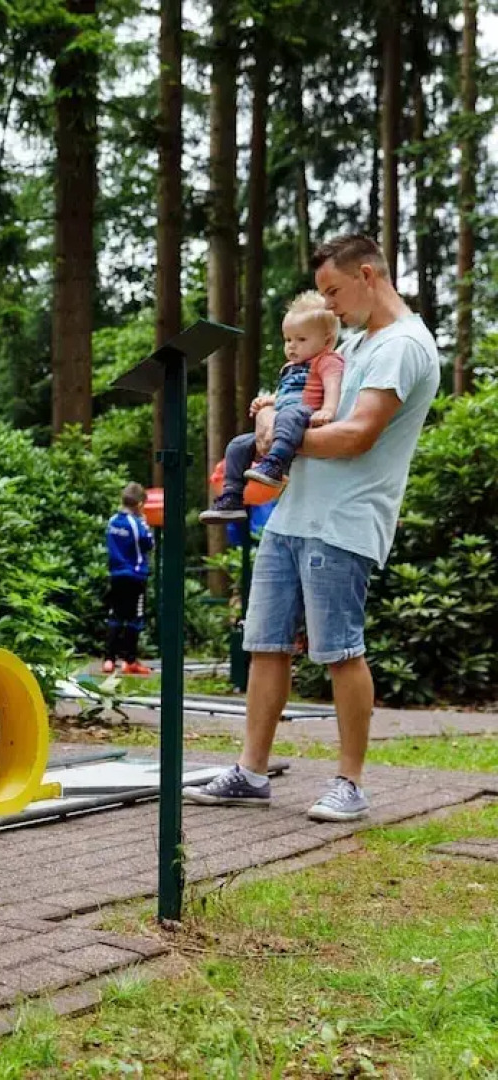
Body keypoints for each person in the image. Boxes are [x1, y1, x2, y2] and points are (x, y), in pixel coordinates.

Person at [184, 234, 440, 822]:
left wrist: (281, 439)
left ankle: (350, 783)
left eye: (333, 291)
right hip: (293, 514)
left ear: (368, 275)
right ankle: (251, 773)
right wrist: (271, 416)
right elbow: (305, 401)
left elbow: (358, 435)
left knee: (340, 651)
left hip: (345, 521)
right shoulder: (352, 341)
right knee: (264, 644)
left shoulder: (402, 345)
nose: (328, 305)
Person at [201, 293, 346, 523]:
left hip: (305, 415)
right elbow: (286, 394)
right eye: (288, 339)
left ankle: (275, 465)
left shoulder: (327, 360)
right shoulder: (289, 367)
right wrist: (269, 401)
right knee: (238, 445)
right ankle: (232, 497)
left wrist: (328, 409)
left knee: (288, 415)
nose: (292, 346)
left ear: (327, 341)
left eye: (301, 339)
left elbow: (332, 385)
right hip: (282, 420)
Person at [103, 482, 154, 676]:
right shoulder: (137, 523)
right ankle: (129, 660)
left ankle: (109, 659)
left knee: (115, 615)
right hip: (135, 574)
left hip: (116, 574)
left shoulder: (113, 521)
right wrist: (146, 525)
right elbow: (148, 543)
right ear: (140, 504)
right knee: (135, 617)